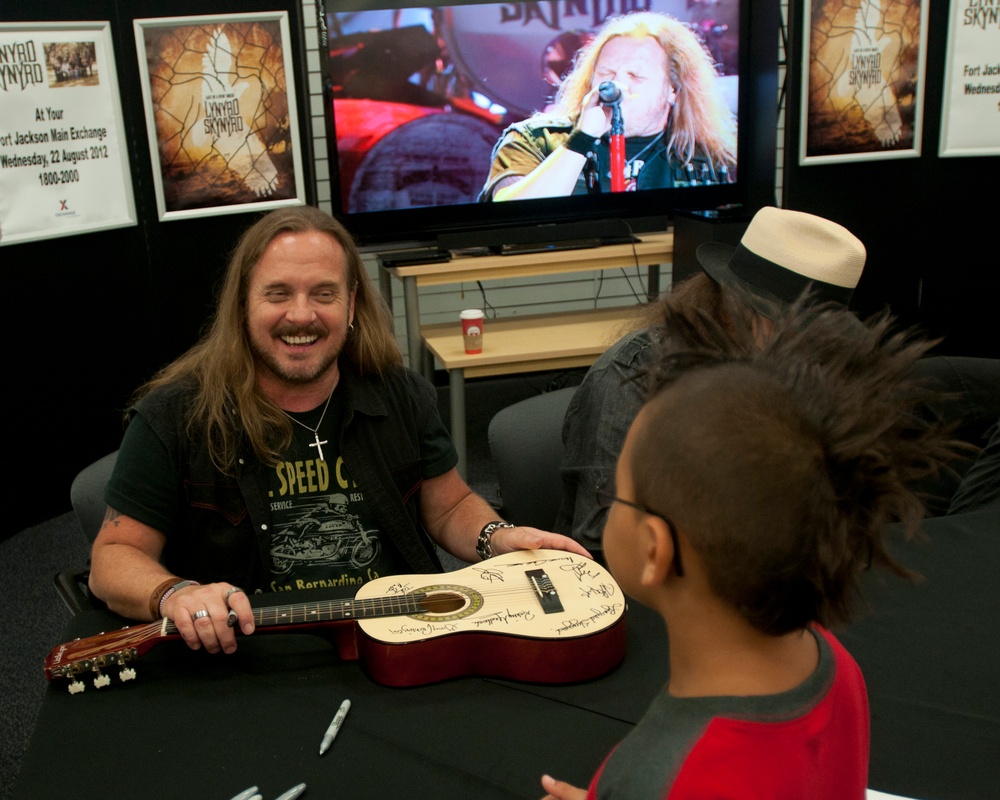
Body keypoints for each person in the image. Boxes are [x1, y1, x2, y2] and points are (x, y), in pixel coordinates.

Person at [527, 298, 958, 800]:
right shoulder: (835, 668)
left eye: (616, 496)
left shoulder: (659, 791)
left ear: (657, 549)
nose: (607, 511)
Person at [88, 206, 587, 654]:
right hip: (252, 654)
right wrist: (177, 594)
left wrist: (497, 537)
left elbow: (451, 505)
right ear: (243, 304)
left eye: (323, 294)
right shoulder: (176, 415)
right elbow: (113, 558)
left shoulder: (399, 394)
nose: (301, 315)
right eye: (277, 294)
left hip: (401, 638)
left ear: (350, 304)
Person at [555, 206, 868, 561]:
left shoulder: (812, 371)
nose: (805, 350)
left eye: (817, 336)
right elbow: (604, 537)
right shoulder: (634, 374)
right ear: (733, 307)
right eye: (790, 331)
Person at [478, 11, 736, 201]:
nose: (617, 85)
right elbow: (514, 215)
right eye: (606, 73)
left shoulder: (705, 155)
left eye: (635, 76)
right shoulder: (533, 139)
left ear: (674, 90)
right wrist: (582, 139)